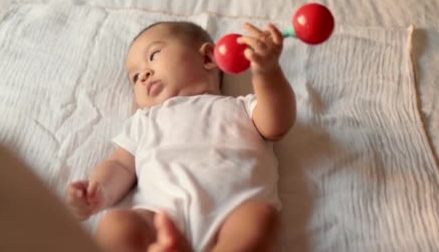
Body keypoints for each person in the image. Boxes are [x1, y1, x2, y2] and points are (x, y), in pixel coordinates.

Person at [66, 21, 296, 251]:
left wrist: (267, 73)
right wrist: (99, 192)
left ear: (207, 58)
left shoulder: (241, 107)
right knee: (116, 224)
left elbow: (277, 124)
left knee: (260, 218)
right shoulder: (144, 121)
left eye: (154, 55)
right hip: (160, 218)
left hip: (234, 213)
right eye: (135, 77)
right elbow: (119, 164)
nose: (143, 75)